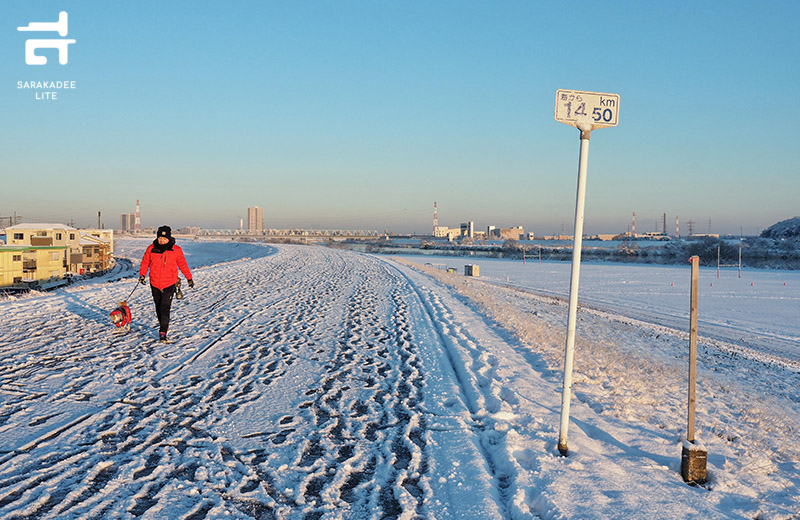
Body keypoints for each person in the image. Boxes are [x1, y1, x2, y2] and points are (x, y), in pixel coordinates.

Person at [139, 225, 194, 342]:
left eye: (164, 238)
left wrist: (189, 278)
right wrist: (142, 275)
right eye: (160, 238)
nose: (162, 240)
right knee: (158, 307)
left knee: (165, 307)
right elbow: (145, 262)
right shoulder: (151, 248)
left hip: (170, 283)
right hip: (154, 283)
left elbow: (183, 265)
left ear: (169, 238)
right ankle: (164, 325)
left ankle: (163, 331)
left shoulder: (176, 250)